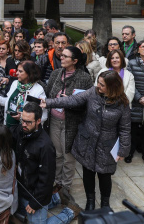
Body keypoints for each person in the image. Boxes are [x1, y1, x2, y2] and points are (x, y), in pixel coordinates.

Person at [41, 70, 131, 211]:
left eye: (102, 85)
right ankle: (90, 201)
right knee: (88, 173)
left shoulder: (123, 103)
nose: (98, 86)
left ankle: (105, 204)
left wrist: (123, 150)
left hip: (106, 146)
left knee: (105, 176)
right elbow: (71, 100)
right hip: (87, 142)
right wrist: (48, 103)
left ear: (112, 87)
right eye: (98, 83)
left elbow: (125, 128)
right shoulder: (92, 93)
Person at [0, 103, 81, 223]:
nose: (24, 125)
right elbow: (7, 135)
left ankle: (69, 212)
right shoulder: (22, 129)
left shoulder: (45, 146)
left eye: (28, 122)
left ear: (38, 121)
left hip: (35, 195)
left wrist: (36, 203)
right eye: (22, 120)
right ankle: (55, 197)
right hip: (21, 189)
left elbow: (47, 179)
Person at [45, 46, 94, 192]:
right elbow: (48, 95)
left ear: (75, 61)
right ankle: (57, 182)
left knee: (68, 156)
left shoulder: (84, 78)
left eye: (66, 56)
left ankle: (65, 186)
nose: (61, 57)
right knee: (57, 154)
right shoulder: (55, 74)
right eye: (62, 55)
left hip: (72, 122)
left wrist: (71, 102)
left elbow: (88, 104)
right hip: (54, 120)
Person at [0, 60, 47, 127]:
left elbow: (43, 115)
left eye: (20, 71)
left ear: (29, 73)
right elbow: (8, 102)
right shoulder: (15, 83)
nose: (16, 73)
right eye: (17, 70)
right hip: (9, 126)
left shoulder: (38, 90)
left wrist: (23, 118)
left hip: (26, 129)